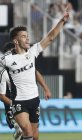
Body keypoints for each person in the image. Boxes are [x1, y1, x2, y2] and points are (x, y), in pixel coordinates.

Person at [0, 6, 69, 140]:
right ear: (15, 41)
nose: (27, 39)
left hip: (34, 99)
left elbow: (50, 37)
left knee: (35, 136)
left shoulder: (32, 52)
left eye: (27, 36)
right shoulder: (6, 59)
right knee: (27, 131)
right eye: (24, 37)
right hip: (18, 101)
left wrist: (62, 21)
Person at [0, 43, 51, 140]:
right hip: (13, 104)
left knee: (34, 136)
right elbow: (1, 96)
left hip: (29, 100)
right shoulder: (2, 70)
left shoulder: (24, 64)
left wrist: (46, 88)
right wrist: (15, 104)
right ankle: (18, 130)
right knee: (26, 131)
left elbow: (36, 73)